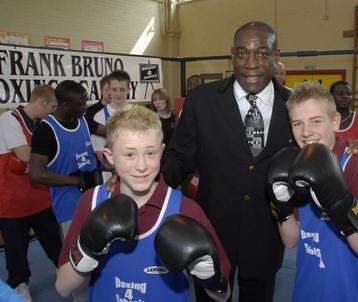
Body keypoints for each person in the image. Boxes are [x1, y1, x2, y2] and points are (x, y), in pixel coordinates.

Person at [164, 21, 358, 302]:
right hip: (212, 232)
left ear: (277, 55)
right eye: (242, 53)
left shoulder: (293, 106)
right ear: (232, 55)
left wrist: (354, 147)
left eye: (262, 53)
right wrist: (143, 182)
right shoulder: (202, 100)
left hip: (267, 235)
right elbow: (179, 159)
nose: (251, 63)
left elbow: (318, 145)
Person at [55, 104, 231, 301]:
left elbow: (223, 296)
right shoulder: (92, 202)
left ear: (162, 151)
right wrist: (87, 250)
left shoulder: (186, 210)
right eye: (129, 154)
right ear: (109, 156)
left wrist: (211, 277)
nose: (142, 166)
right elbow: (62, 288)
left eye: (151, 153)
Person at [268, 82, 358, 302]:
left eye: (316, 121)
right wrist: (281, 203)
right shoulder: (297, 167)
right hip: (305, 291)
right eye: (297, 123)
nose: (306, 132)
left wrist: (339, 202)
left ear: (335, 121)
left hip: (349, 295)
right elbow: (291, 240)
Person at [0, 85, 62, 301]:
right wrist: (44, 162)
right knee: (16, 249)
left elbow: (36, 160)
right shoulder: (10, 119)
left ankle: (66, 273)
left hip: (39, 197)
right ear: (42, 102)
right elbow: (26, 156)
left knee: (55, 241)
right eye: (52, 106)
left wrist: (41, 163)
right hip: (13, 202)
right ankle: (19, 284)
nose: (53, 111)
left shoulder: (41, 124)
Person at [29, 80, 101, 236]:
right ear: (66, 105)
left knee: (102, 247)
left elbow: (109, 131)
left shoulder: (83, 120)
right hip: (69, 204)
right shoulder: (45, 130)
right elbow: (36, 174)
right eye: (81, 104)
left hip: (94, 194)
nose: (85, 107)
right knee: (78, 252)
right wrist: (78, 180)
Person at [91, 70, 131, 183]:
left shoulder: (137, 114)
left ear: (129, 89)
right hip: (111, 174)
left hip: (134, 171)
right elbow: (100, 154)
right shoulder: (99, 116)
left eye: (122, 90)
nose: (118, 94)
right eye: (114, 89)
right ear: (108, 90)